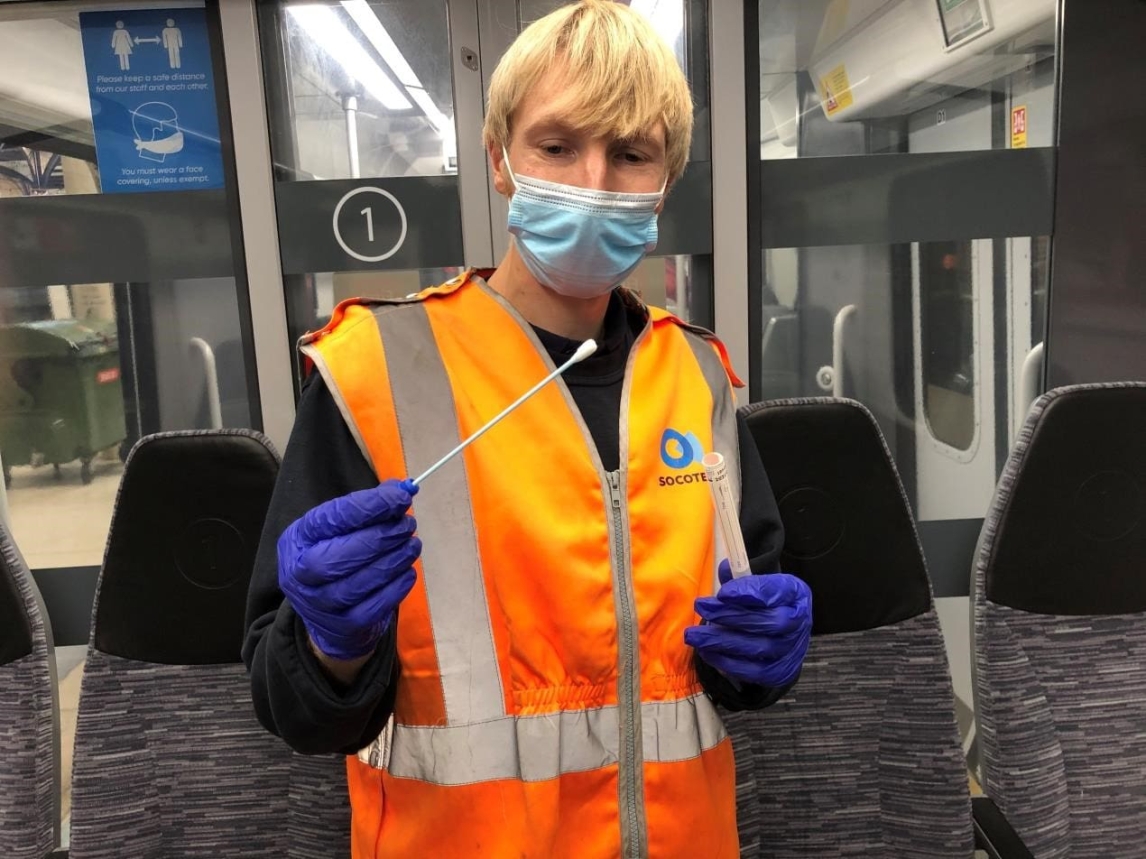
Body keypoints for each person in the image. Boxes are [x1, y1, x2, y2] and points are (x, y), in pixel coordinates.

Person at [243, 2, 812, 857]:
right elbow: (293, 705)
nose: (593, 179)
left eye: (629, 154)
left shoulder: (694, 375)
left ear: (665, 179)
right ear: (501, 160)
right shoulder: (377, 370)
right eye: (557, 146)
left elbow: (728, 636)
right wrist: (329, 645)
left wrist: (762, 656)